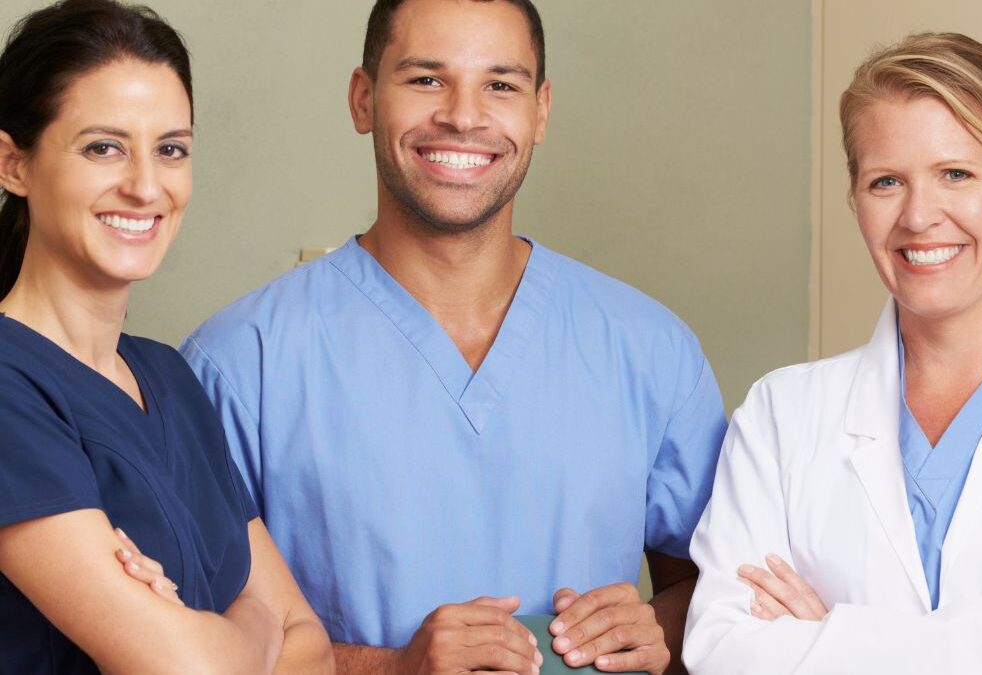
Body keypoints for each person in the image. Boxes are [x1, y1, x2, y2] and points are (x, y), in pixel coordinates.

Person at [180, 0, 728, 673]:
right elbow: (184, 639)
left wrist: (657, 631)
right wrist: (391, 666)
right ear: (362, 99)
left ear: (541, 110)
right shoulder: (239, 363)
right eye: (425, 79)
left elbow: (715, 591)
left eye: (501, 84)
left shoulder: (652, 350)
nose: (464, 115)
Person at [683, 32, 982, 673]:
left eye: (956, 173)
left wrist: (833, 640)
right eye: (886, 181)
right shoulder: (784, 414)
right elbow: (724, 652)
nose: (920, 216)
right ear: (856, 200)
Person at [0, 1, 333, 672]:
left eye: (171, 149)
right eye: (104, 147)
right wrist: (252, 622)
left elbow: (315, 647)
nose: (146, 185)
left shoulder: (172, 378)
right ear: (13, 164)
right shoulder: (11, 387)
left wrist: (199, 629)